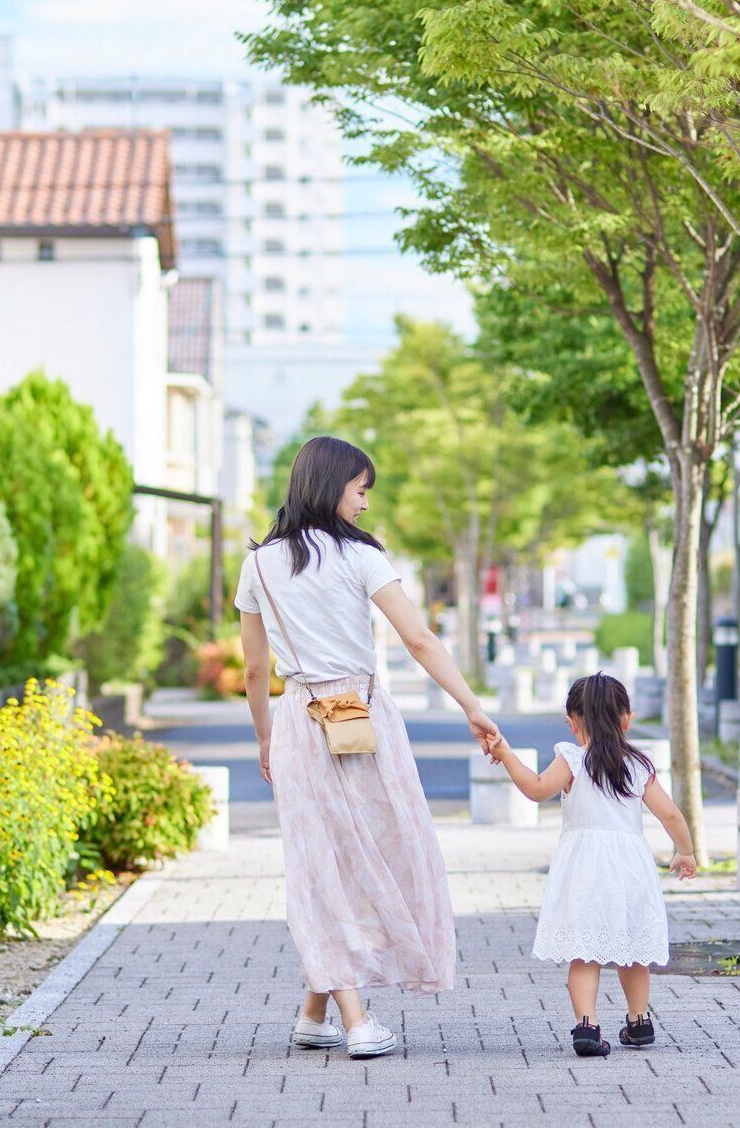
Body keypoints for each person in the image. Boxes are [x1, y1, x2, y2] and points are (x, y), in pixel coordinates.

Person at [238, 436, 503, 1060]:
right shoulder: (362, 559)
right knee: (377, 854)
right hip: (360, 716)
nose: (363, 502)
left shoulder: (259, 565)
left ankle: (314, 1014)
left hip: (301, 719)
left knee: (322, 860)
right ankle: (358, 1023)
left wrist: (265, 738)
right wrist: (472, 705)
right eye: (360, 488)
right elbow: (418, 638)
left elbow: (255, 671)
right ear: (332, 485)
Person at [484, 673, 698, 1057]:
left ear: (573, 720)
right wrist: (685, 851)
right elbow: (670, 814)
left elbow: (534, 789)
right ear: (626, 720)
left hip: (584, 867)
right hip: (630, 868)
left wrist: (505, 755)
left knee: (585, 949)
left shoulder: (572, 760)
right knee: (632, 947)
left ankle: (587, 1025)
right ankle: (639, 1021)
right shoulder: (638, 765)